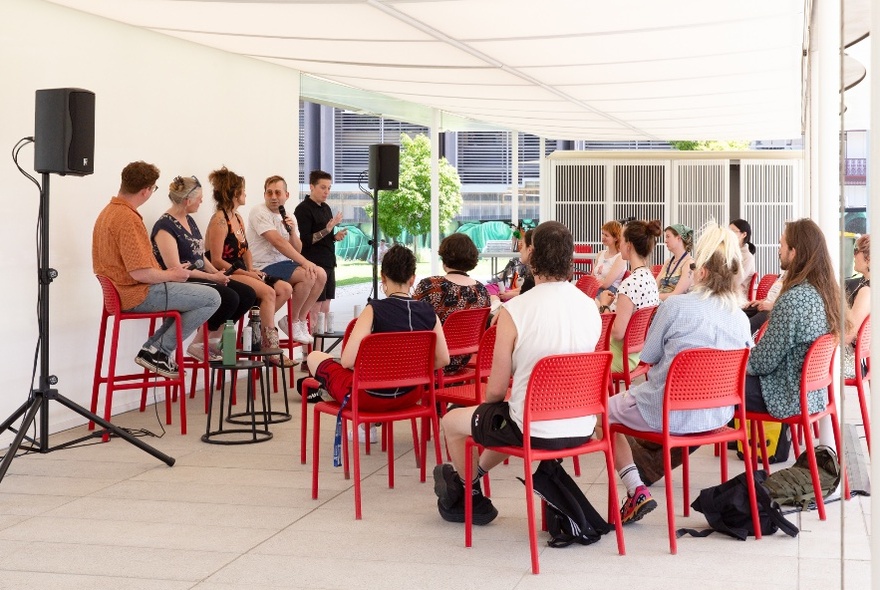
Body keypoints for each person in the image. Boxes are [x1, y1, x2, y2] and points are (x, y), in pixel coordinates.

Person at [433, 221, 602, 525]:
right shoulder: (590, 306)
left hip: (533, 428)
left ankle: (469, 492)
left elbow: (495, 391)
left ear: (532, 253)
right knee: (508, 415)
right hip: (581, 425)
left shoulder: (516, 311)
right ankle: (472, 479)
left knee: (455, 420)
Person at [603, 223, 752, 524]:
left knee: (602, 411)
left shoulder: (676, 308)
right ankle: (644, 467)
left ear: (703, 272)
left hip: (669, 412)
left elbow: (648, 358)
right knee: (651, 402)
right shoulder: (740, 318)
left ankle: (636, 489)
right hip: (717, 415)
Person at [306, 245, 450, 440]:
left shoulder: (374, 309)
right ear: (412, 278)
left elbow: (348, 361)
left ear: (383, 277)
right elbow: (443, 359)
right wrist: (409, 370)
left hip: (369, 397)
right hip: (410, 394)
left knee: (315, 357)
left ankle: (352, 415)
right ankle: (364, 425)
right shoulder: (427, 312)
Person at [92, 161, 221, 378]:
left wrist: (171, 275)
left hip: (120, 293)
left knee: (190, 297)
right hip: (135, 293)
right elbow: (140, 273)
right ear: (146, 191)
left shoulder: (107, 212)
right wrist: (173, 274)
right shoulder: (128, 219)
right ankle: (158, 350)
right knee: (212, 298)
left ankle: (156, 349)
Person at [746, 219, 846, 419]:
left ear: (795, 252)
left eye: (781, 245)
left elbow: (761, 363)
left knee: (711, 384)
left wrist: (730, 362)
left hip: (785, 396)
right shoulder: (824, 293)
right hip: (813, 394)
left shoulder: (793, 299)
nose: (778, 250)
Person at [151, 175, 257, 361]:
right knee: (229, 297)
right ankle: (198, 344)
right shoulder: (165, 226)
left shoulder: (189, 220)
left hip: (200, 275)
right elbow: (175, 269)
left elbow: (199, 255)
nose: (202, 200)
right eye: (199, 197)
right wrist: (212, 278)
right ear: (187, 200)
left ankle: (214, 342)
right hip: (181, 280)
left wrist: (216, 273)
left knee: (247, 294)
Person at [204, 166, 295, 367]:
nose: (246, 194)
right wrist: (246, 273)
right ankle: (269, 346)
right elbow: (217, 260)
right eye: (243, 190)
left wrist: (251, 269)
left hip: (241, 269)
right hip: (225, 272)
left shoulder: (237, 217)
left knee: (284, 289)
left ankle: (253, 330)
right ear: (234, 193)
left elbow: (246, 250)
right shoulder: (220, 220)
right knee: (269, 293)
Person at [248, 175, 326, 345]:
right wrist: (304, 262)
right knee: (308, 274)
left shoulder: (289, 216)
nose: (274, 197)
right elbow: (277, 242)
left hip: (284, 265)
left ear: (287, 195)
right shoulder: (259, 212)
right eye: (269, 193)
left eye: (277, 192)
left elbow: (297, 248)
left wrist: (291, 231)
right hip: (264, 265)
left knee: (321, 274)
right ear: (264, 195)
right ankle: (292, 321)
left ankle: (297, 319)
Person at [413, 233, 491, 373]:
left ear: (445, 257)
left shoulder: (431, 285)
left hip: (432, 362)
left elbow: (411, 319)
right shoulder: (482, 290)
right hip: (462, 361)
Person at [597, 220, 662, 373]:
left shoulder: (630, 284)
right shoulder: (649, 278)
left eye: (622, 240)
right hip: (638, 353)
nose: (619, 245)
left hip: (619, 356)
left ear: (629, 245)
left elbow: (617, 333)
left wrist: (604, 305)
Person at [294, 170, 347, 335]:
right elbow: (305, 240)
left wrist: (335, 236)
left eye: (329, 188)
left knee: (325, 308)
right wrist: (328, 229)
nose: (326, 192)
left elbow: (326, 237)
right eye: (323, 187)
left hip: (329, 262)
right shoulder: (303, 210)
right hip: (313, 263)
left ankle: (319, 351)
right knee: (314, 309)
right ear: (312, 186)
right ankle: (307, 352)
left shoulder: (326, 208)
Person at [843, 234, 870, 379]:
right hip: (858, 360)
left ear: (869, 258)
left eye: (856, 250)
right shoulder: (867, 286)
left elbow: (847, 336)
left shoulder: (867, 292)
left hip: (851, 362)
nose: (853, 255)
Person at [656, 223, 694, 300]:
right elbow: (655, 286)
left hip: (673, 306)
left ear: (679, 238)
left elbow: (676, 295)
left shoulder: (689, 264)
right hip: (657, 302)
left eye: (668, 237)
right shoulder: (668, 262)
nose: (665, 241)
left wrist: (651, 298)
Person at [592, 220, 627, 297]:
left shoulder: (620, 258)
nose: (603, 237)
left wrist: (593, 281)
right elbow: (592, 276)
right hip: (595, 289)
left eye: (606, 235)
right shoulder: (600, 254)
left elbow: (606, 284)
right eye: (602, 234)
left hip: (609, 293)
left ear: (616, 238)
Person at [729, 219, 756, 299]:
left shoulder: (747, 257)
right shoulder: (731, 253)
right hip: (727, 295)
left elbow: (734, 282)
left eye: (733, 231)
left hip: (736, 298)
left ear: (744, 234)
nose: (729, 234)